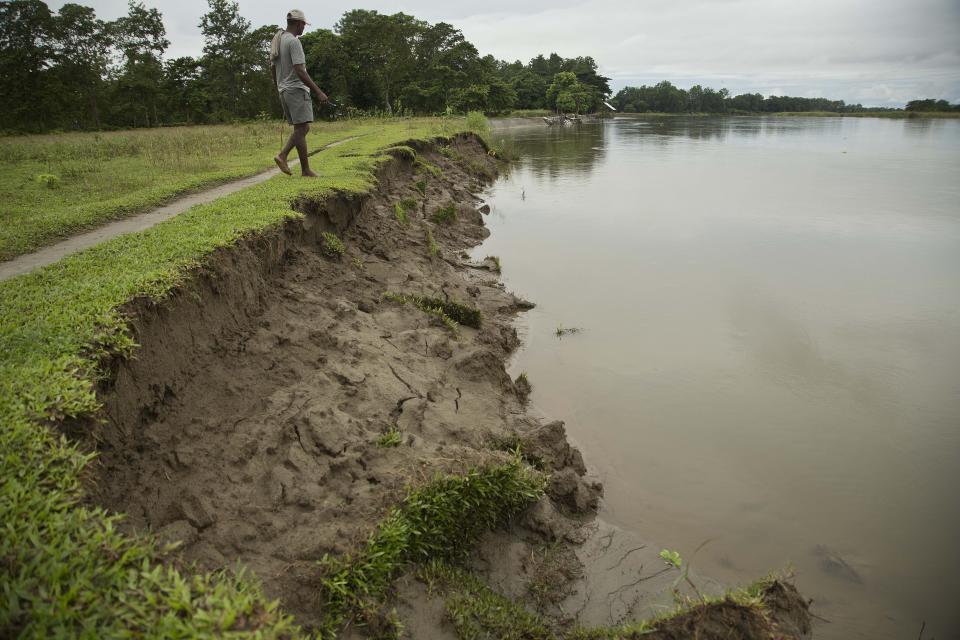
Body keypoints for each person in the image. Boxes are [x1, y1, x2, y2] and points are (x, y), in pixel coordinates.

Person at [270, 9, 329, 177]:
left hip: (284, 90)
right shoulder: (294, 42)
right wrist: (319, 92)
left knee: (302, 128)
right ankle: (283, 156)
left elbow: (273, 68)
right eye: (304, 24)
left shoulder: (278, 41)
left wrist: (279, 87)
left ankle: (305, 170)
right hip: (296, 90)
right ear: (298, 23)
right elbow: (300, 70)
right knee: (302, 128)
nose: (304, 28)